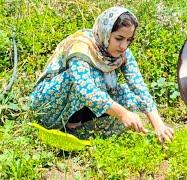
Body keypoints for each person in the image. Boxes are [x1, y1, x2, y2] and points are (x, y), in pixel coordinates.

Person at [30, 7, 174, 143]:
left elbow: (138, 86)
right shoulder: (81, 46)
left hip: (83, 100)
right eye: (119, 38)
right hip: (50, 104)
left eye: (128, 40)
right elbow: (86, 90)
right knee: (90, 80)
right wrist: (122, 113)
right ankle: (71, 128)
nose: (123, 46)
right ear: (105, 32)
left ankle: (85, 125)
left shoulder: (122, 53)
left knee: (127, 94)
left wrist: (158, 125)